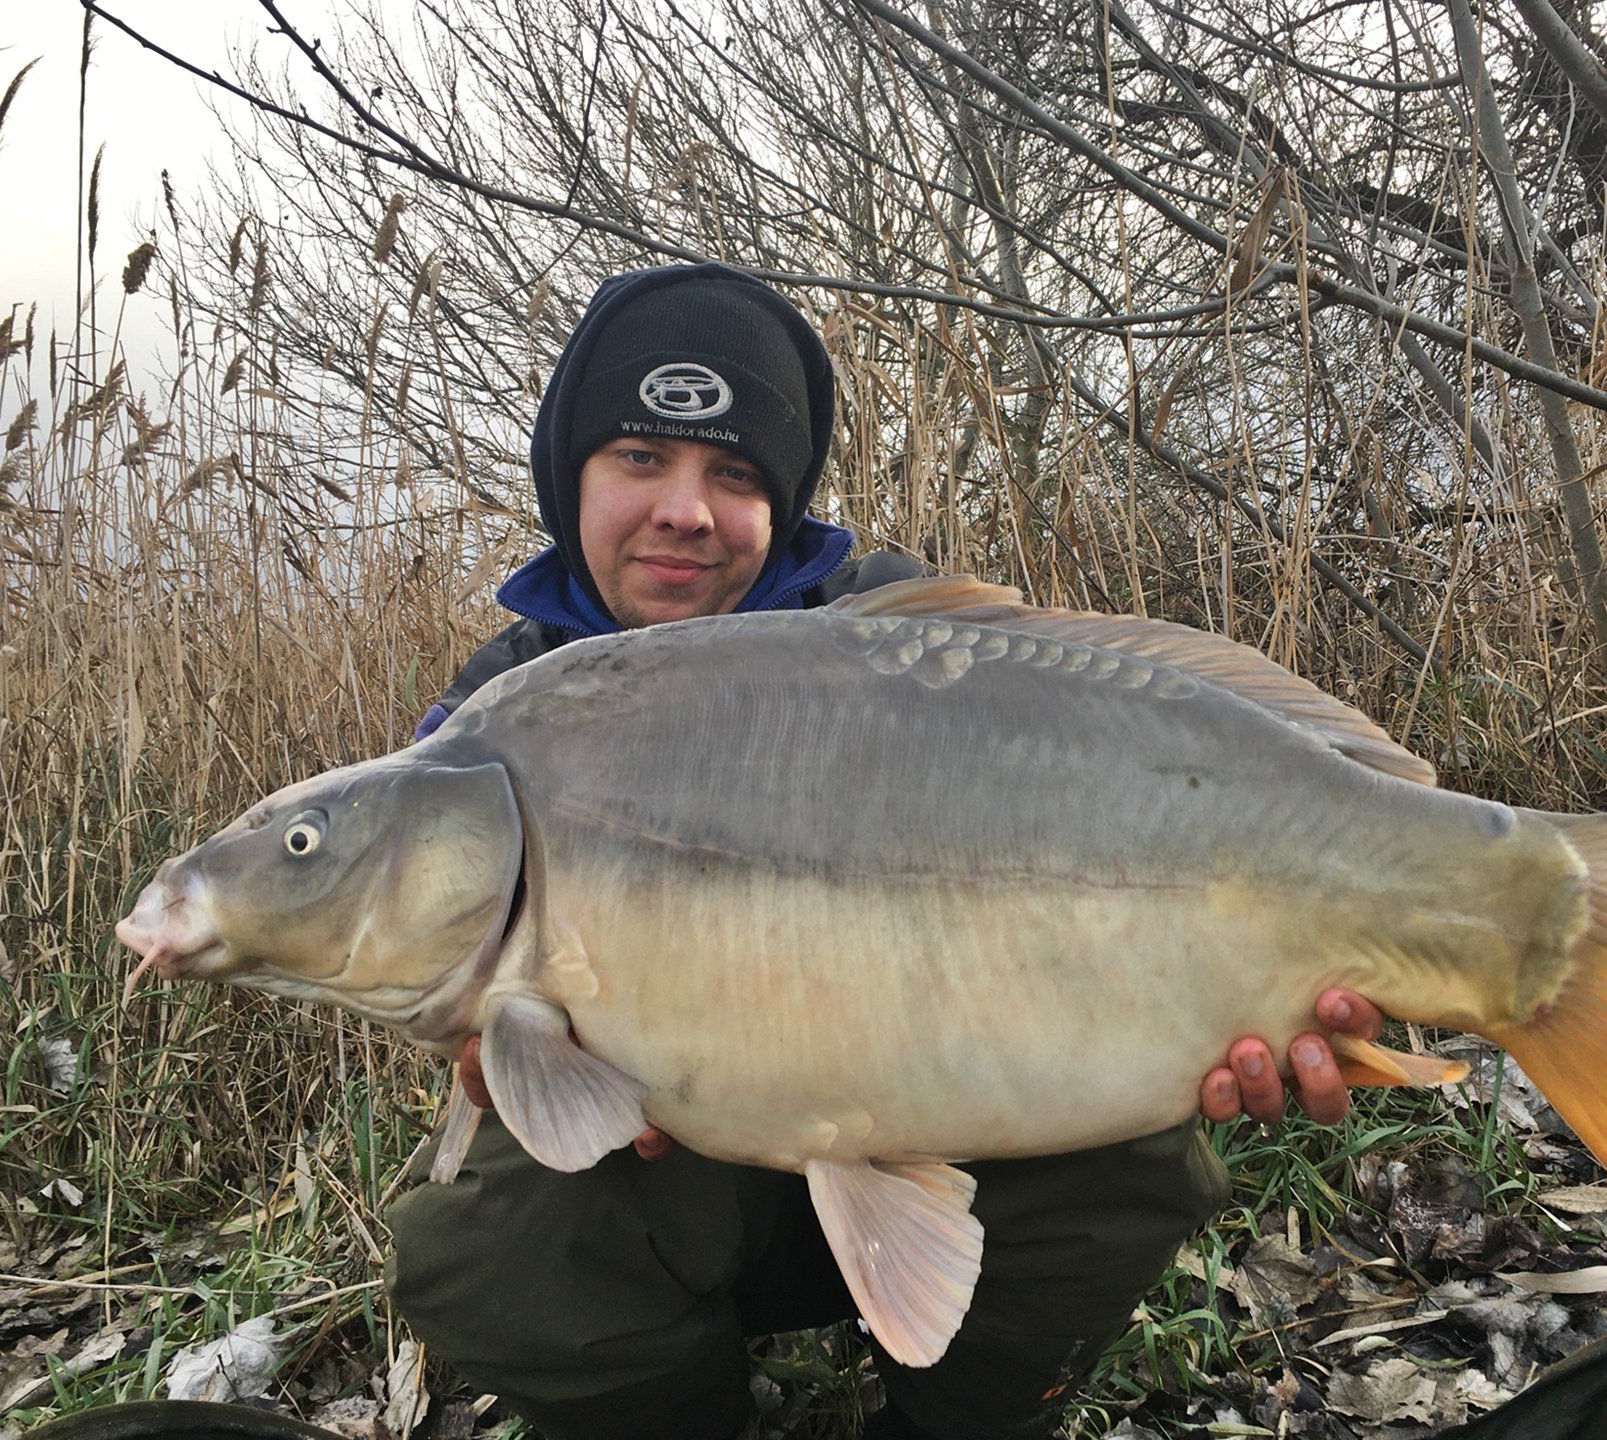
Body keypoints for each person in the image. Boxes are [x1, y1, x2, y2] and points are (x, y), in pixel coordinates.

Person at [385, 262, 1386, 1440]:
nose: (685, 510)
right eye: (639, 458)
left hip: (949, 1109)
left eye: (735, 473)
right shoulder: (493, 721)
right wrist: (493, 1054)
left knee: (1140, 1153)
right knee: (479, 1252)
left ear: (786, 501)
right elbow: (460, 998)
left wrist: (1240, 997)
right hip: (686, 1166)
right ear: (571, 477)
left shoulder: (908, 652)